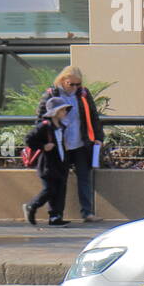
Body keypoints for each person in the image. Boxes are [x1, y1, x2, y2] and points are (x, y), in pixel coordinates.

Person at [36, 65, 103, 222]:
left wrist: (98, 137)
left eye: (77, 84)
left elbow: (93, 117)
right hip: (60, 144)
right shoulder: (51, 94)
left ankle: (87, 212)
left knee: (84, 177)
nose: (74, 87)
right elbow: (41, 120)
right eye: (70, 84)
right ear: (62, 81)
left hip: (81, 142)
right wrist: (46, 140)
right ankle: (56, 214)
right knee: (60, 179)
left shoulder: (83, 94)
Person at [22, 97, 73, 226]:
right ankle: (31, 206)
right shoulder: (45, 126)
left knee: (60, 190)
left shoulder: (60, 126)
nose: (65, 112)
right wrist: (43, 146)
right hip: (48, 164)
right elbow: (29, 139)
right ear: (55, 112)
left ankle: (55, 216)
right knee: (49, 190)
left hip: (61, 162)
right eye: (62, 110)